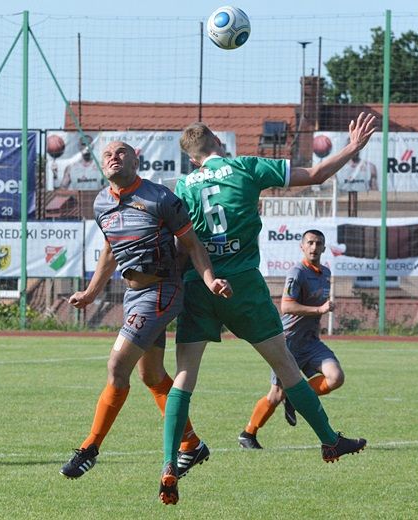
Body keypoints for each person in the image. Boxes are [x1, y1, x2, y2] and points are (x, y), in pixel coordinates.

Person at [158, 113, 376, 505]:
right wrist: (352, 147)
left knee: (185, 376)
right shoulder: (245, 166)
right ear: (219, 144)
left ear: (191, 159)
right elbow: (316, 174)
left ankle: (170, 463)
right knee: (286, 368)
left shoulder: (184, 187)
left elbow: (180, 245)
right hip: (243, 284)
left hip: (199, 284)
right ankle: (329, 441)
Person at [60, 141, 232, 480]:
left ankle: (89, 448)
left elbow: (192, 244)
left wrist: (210, 279)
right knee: (151, 375)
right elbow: (110, 250)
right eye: (108, 154)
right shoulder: (101, 203)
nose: (113, 157)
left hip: (162, 291)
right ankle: (191, 444)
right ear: (102, 165)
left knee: (116, 366)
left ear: (136, 161)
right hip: (133, 295)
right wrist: (91, 293)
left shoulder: (160, 198)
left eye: (121, 152)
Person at [238, 229, 345, 449]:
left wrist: (324, 308)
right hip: (288, 342)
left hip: (311, 342)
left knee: (336, 377)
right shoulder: (297, 273)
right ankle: (248, 434)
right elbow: (286, 306)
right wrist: (319, 310)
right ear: (302, 246)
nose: (314, 247)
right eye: (310, 243)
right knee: (276, 394)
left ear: (324, 248)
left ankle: (294, 398)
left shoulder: (325, 273)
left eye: (318, 243)